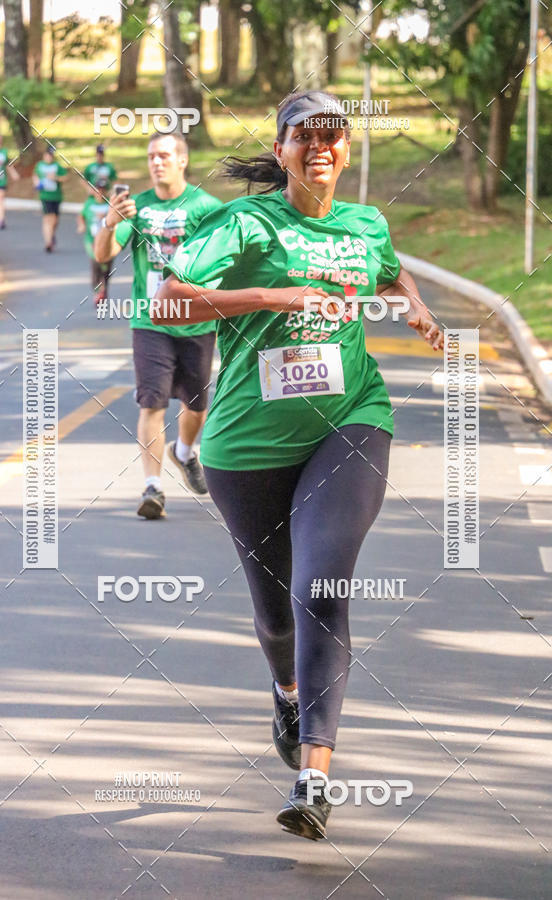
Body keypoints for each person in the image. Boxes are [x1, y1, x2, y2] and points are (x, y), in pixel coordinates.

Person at [155, 91, 444, 840]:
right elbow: (168, 302)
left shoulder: (364, 222)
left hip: (348, 423)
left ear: (346, 150)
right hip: (245, 446)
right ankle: (285, 688)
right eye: (303, 135)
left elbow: (386, 270)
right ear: (281, 150)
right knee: (275, 613)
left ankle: (313, 777)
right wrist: (269, 294)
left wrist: (413, 302)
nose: (320, 146)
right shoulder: (245, 223)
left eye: (333, 135)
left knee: (322, 585)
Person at [93, 132, 222, 519]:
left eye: (164, 155)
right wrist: (109, 221)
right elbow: (104, 255)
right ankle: (153, 487)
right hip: (149, 320)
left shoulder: (207, 207)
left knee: (196, 405)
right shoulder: (137, 209)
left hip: (195, 319)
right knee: (152, 402)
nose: (156, 162)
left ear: (182, 160)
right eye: (151, 156)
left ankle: (184, 453)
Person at [77, 177, 114, 304]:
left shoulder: (110, 204)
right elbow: (81, 216)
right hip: (91, 240)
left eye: (103, 190)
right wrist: (81, 225)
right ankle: (98, 292)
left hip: (108, 241)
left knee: (106, 268)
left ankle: (104, 289)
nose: (100, 192)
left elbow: (118, 219)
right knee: (95, 265)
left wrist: (106, 217)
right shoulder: (89, 203)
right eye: (98, 189)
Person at [33, 145, 68, 252]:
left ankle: (51, 235)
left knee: (55, 220)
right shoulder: (39, 165)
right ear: (45, 155)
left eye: (52, 155)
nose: (50, 157)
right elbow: (35, 176)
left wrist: (56, 178)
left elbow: (65, 177)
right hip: (45, 195)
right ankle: (48, 242)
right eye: (48, 155)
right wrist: (37, 184)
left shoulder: (57, 166)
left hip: (56, 196)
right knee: (48, 217)